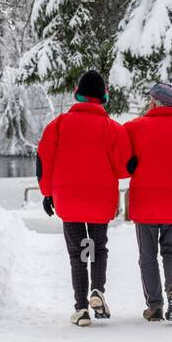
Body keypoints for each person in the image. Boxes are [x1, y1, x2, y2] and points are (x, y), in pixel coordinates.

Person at [36, 70, 132, 325]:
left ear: (77, 94)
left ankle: (80, 308)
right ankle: (97, 289)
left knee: (78, 251)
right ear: (104, 97)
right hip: (100, 200)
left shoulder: (58, 125)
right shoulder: (113, 129)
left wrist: (47, 194)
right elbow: (124, 167)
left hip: (69, 199)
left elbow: (45, 161)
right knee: (98, 248)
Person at [124, 82, 172, 322]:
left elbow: (124, 160)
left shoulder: (135, 127)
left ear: (154, 102)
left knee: (147, 255)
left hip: (146, 199)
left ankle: (155, 305)